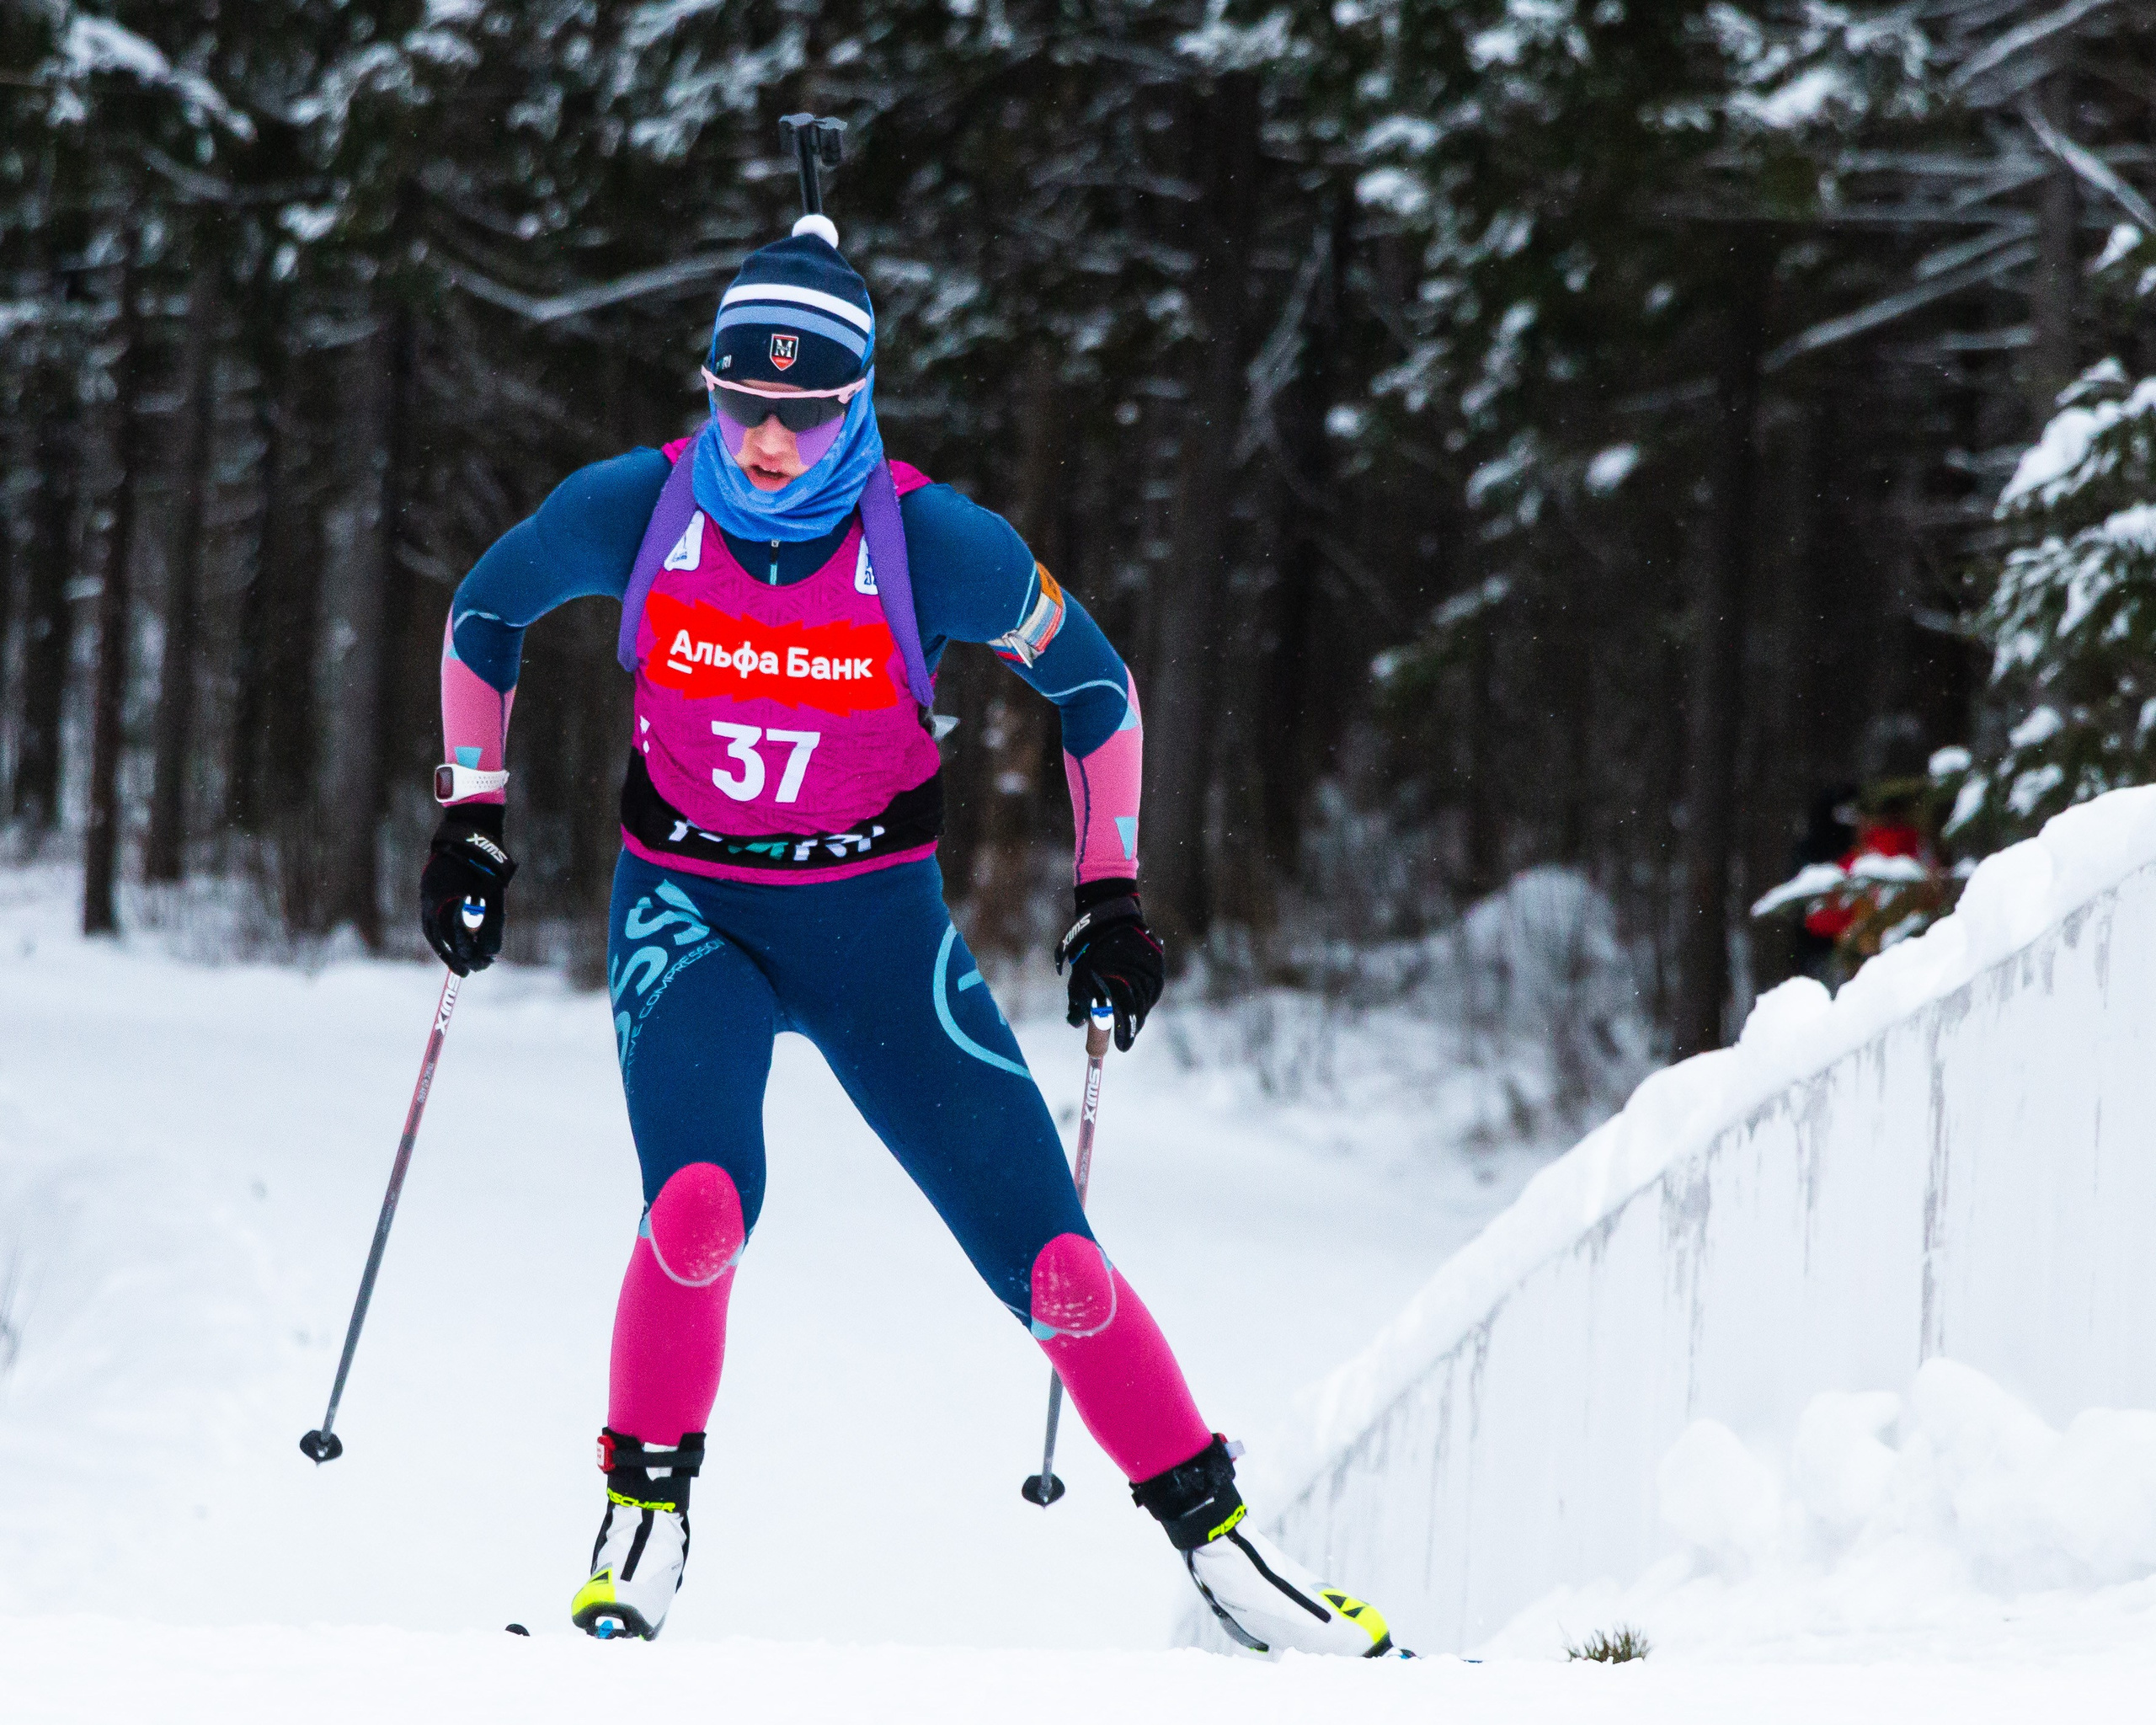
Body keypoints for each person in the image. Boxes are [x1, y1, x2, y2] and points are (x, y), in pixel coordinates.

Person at [417, 218, 1405, 1657]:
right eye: (738, 404)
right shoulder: (635, 508)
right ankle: (642, 1529)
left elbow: (1099, 690)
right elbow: (485, 610)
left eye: (803, 413)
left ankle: (1231, 1557)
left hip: (875, 928)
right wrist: (473, 816)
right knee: (695, 1207)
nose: (763, 442)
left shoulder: (935, 542)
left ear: (858, 402)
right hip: (686, 907)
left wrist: (1112, 896)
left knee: (1056, 1266)